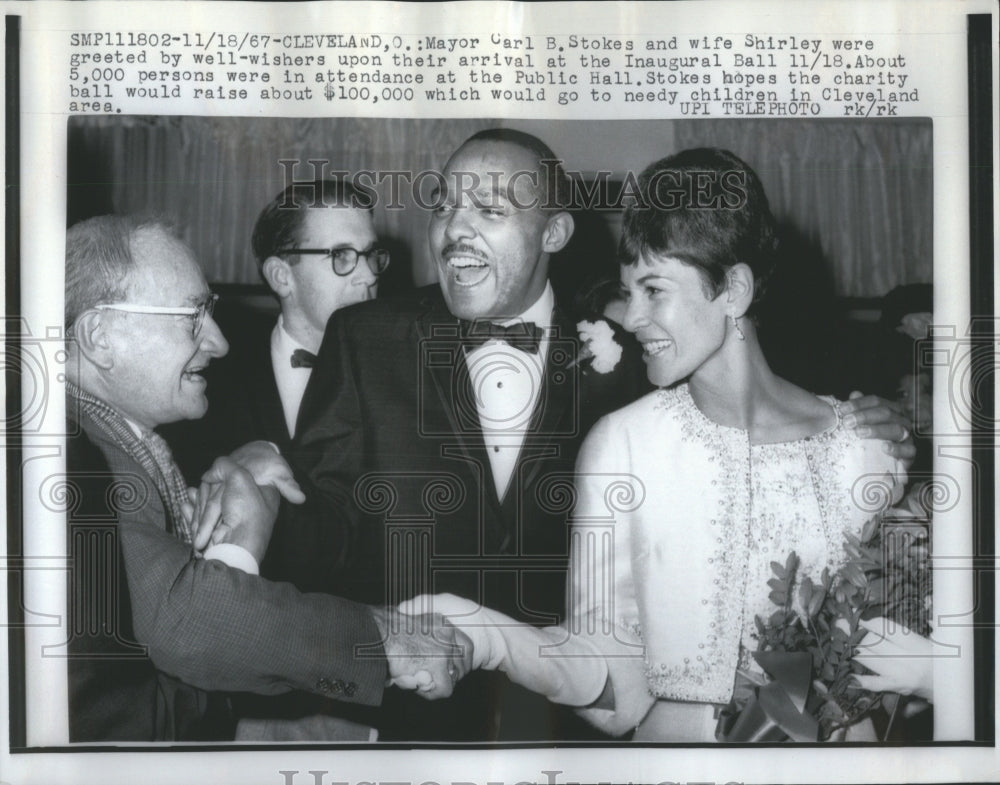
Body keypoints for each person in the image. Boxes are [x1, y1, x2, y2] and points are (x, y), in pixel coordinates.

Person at [286, 132, 914, 741]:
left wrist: (887, 434)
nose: (631, 316)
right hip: (420, 713)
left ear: (554, 233)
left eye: (491, 209)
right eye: (445, 205)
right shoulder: (624, 437)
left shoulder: (847, 439)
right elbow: (322, 528)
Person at [61, 214, 468, 742]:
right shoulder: (75, 453)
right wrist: (383, 639)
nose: (219, 342)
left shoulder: (105, 438)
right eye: (192, 316)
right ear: (99, 336)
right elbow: (188, 627)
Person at [165, 179, 387, 476]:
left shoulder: (404, 372)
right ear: (282, 277)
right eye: (341, 256)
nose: (369, 275)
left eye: (371, 254)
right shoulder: (207, 390)